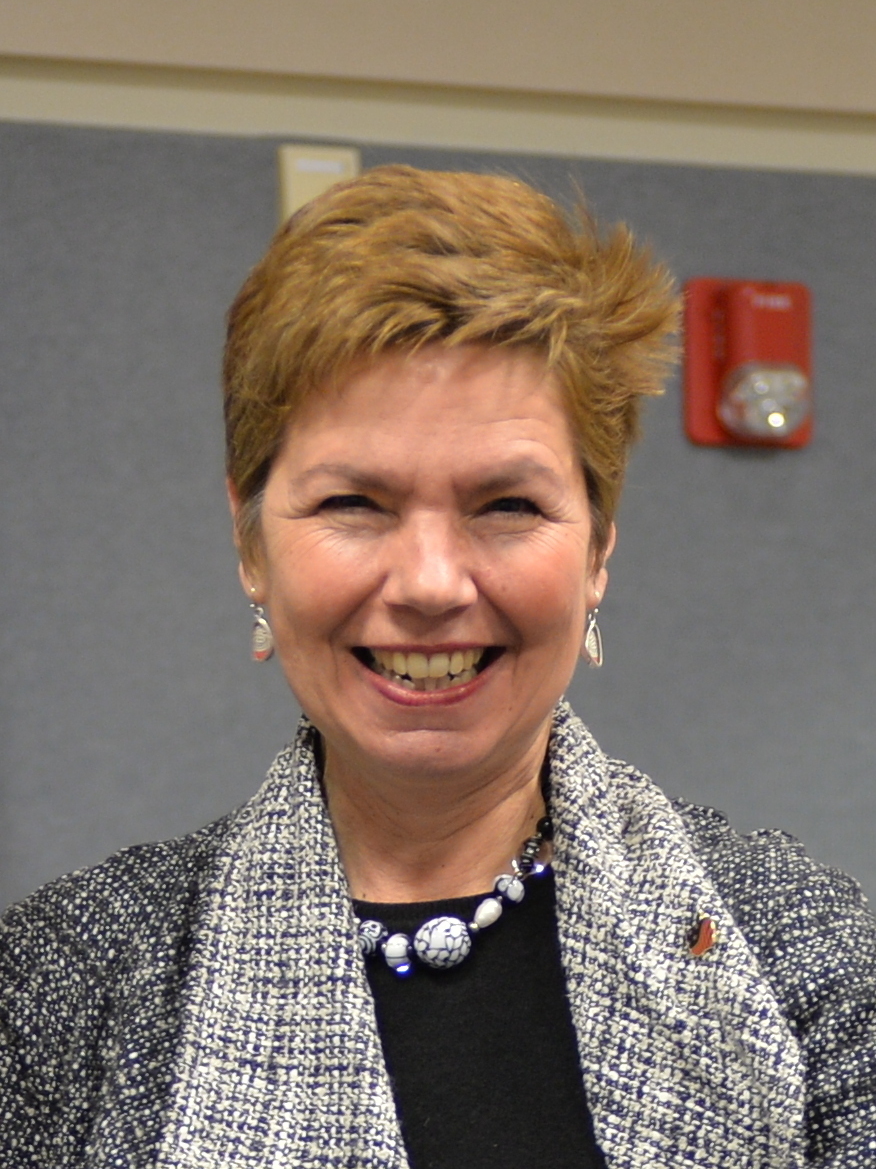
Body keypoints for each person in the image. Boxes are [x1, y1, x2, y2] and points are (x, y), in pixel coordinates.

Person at [1, 165, 874, 1169]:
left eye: (506, 504)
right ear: (250, 541)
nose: (427, 582)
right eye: (354, 503)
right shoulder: (70, 986)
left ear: (598, 549)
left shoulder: (798, 953)